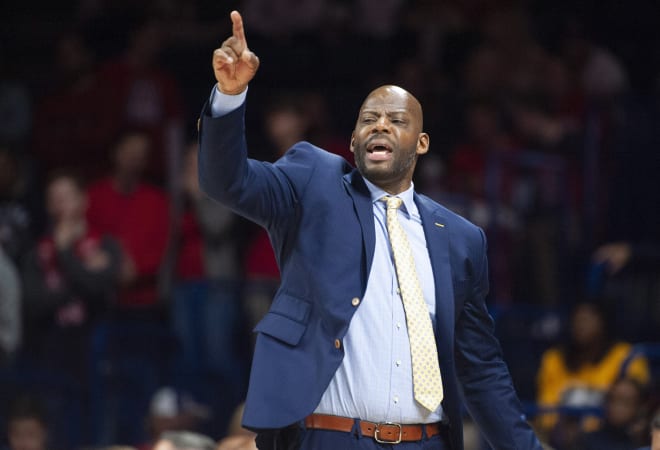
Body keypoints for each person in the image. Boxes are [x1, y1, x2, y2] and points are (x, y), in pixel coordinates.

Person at [197, 10, 542, 450]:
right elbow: (228, 183)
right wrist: (230, 96)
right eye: (368, 119)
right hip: (331, 437)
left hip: (426, 441)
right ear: (356, 141)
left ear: (421, 143)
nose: (380, 124)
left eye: (396, 120)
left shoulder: (460, 238)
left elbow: (481, 367)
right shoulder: (313, 182)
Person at [535, 301, 650, 437]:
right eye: (577, 320)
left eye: (587, 319)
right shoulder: (554, 358)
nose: (581, 326)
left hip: (612, 438)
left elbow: (633, 406)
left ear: (603, 322)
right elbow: (546, 412)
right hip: (560, 439)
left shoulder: (627, 356)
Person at [577, 377, 649, 450]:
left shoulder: (644, 444)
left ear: (638, 407)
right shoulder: (588, 440)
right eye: (614, 399)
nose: (618, 407)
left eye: (626, 402)